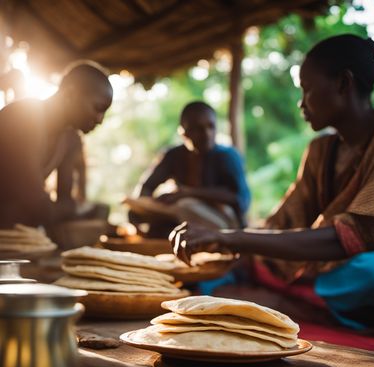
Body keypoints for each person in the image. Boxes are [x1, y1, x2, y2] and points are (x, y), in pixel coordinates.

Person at [170, 34, 374, 330]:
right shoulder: (320, 150)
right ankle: (296, 304)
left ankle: (283, 303)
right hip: (323, 271)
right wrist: (230, 245)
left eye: (307, 90)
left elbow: (349, 239)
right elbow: (284, 221)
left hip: (358, 271)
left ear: (343, 83)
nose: (301, 103)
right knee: (223, 268)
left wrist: (230, 236)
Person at [0, 61, 113, 228]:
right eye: (98, 108)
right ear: (70, 93)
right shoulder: (24, 117)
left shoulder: (71, 140)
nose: (100, 119)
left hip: (18, 231)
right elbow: (39, 206)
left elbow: (61, 203)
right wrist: (63, 209)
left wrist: (59, 209)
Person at [126, 101, 251, 238]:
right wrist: (149, 207)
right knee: (136, 211)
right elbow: (147, 187)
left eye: (211, 126)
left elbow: (240, 200)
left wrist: (188, 193)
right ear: (183, 132)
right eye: (198, 128)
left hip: (223, 223)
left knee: (186, 206)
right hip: (180, 216)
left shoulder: (228, 156)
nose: (207, 134)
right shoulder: (173, 155)